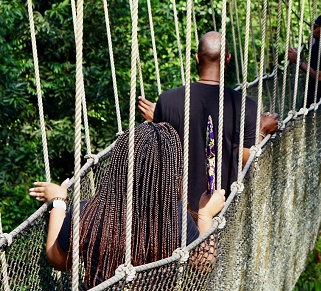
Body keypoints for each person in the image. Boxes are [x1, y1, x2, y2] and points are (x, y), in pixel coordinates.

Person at [29, 122, 225, 288]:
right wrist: (206, 214)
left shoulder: (88, 213)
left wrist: (59, 202)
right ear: (168, 173)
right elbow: (204, 263)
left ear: (119, 165)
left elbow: (58, 260)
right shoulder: (174, 217)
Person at [137, 32, 278, 213]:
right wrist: (262, 130)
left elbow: (160, 152)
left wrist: (157, 122)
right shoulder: (245, 106)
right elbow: (247, 161)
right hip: (223, 212)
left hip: (177, 213)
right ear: (227, 58)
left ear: (196, 58)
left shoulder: (167, 100)